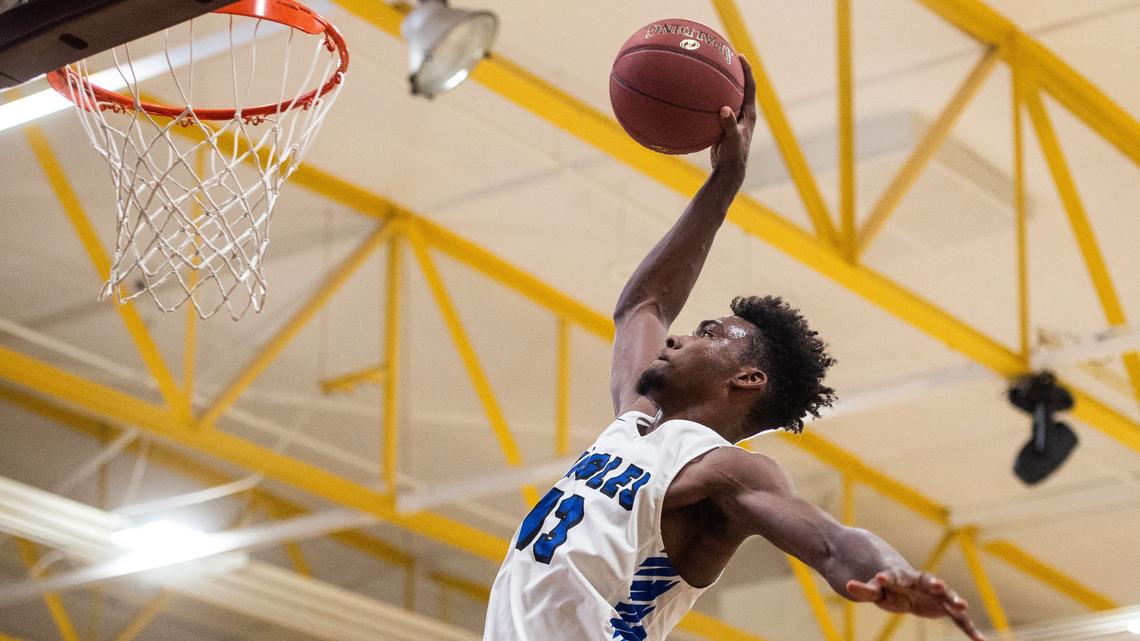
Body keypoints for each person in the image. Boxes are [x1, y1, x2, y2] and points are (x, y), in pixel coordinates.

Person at [482, 55, 984, 641]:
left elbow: (828, 540)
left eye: (708, 333)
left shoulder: (726, 470)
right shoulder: (633, 425)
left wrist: (887, 571)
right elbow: (644, 304)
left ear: (747, 378)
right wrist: (723, 183)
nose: (678, 337)